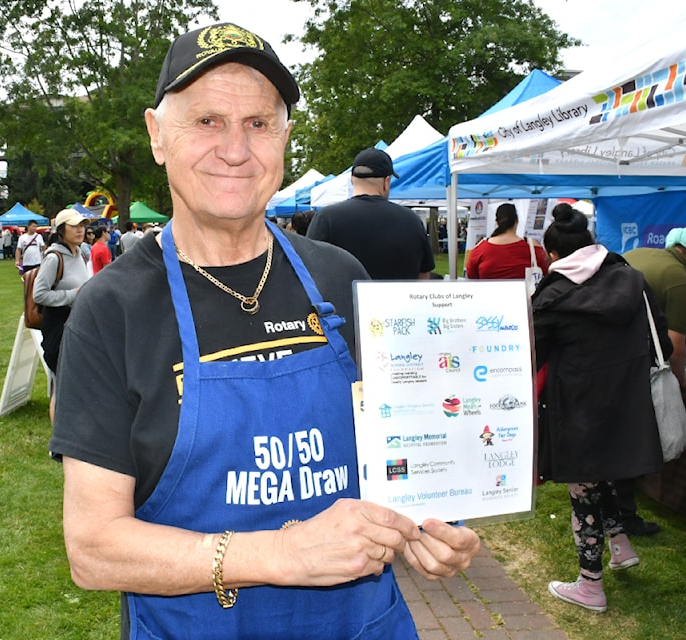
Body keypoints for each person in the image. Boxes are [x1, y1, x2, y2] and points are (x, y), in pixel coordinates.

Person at [48, 22, 480, 640]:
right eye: (207, 121)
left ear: (284, 139)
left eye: (258, 123)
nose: (235, 149)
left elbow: (402, 447)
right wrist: (279, 554)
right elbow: (95, 549)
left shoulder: (339, 276)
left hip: (359, 625)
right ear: (157, 135)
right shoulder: (112, 309)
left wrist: (435, 522)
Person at [533, 203, 666, 613]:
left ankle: (590, 586)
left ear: (554, 254)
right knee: (601, 474)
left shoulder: (552, 295)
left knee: (583, 493)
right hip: (626, 401)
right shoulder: (632, 279)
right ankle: (620, 544)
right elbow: (661, 339)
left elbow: (532, 354)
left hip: (577, 407)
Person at [622, 224, 686, 537]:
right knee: (633, 442)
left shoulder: (637, 254)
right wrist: (682, 378)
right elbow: (675, 346)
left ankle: (610, 507)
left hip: (607, 360)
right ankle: (625, 516)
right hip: (638, 368)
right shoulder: (680, 283)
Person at [307, 147, 435, 279]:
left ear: (352, 180)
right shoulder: (412, 220)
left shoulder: (326, 218)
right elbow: (423, 276)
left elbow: (308, 270)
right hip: (398, 293)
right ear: (386, 182)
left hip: (343, 293)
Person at [32, 208, 90, 377]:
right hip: (58, 328)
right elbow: (39, 294)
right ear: (62, 230)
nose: (80, 230)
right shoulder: (54, 258)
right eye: (74, 226)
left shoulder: (81, 255)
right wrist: (74, 294)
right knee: (68, 378)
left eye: (82, 226)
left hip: (79, 323)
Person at [465, 203, 549, 280]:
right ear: (517, 220)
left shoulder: (480, 249)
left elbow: (472, 277)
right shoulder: (532, 247)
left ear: (497, 222)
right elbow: (547, 272)